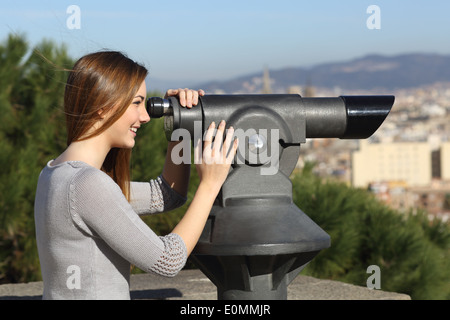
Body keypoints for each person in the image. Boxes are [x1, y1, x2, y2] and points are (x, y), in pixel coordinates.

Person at [34, 51, 238, 300]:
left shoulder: (54, 173)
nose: (145, 116)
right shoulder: (86, 184)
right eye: (136, 102)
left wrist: (179, 125)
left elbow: (166, 195)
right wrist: (210, 183)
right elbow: (168, 260)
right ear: (103, 106)